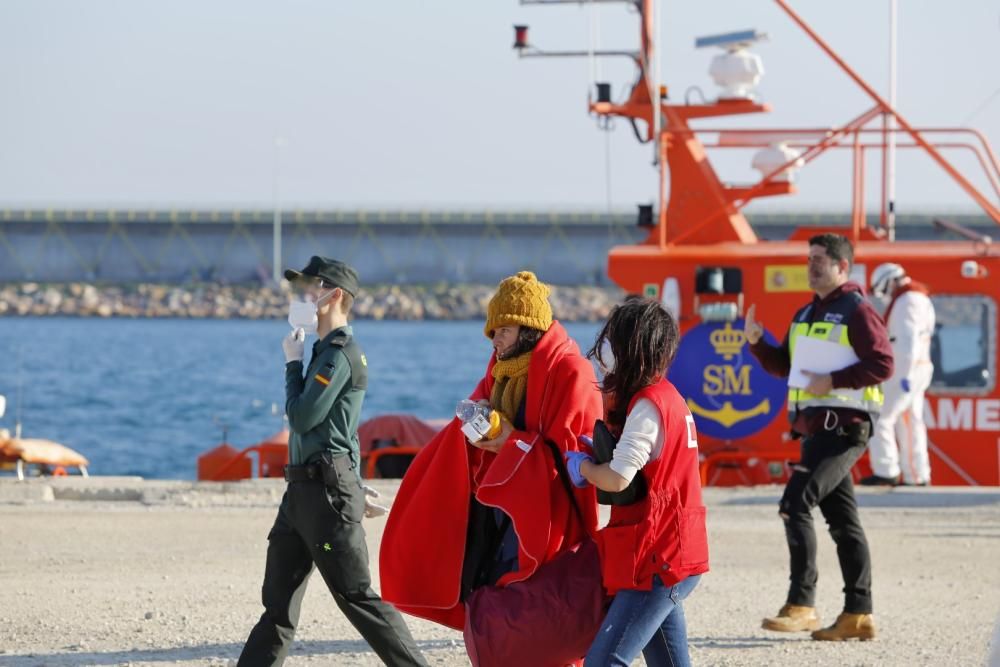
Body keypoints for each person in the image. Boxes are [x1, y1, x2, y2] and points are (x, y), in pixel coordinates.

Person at [379, 271, 602, 635]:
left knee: (540, 610)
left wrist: (510, 441)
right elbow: (474, 421)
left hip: (546, 517)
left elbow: (573, 466)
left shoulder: (572, 372)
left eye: (502, 331)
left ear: (526, 328)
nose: (494, 340)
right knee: (496, 597)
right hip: (499, 510)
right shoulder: (499, 370)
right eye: (492, 332)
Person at [238, 256, 427, 667]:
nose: (305, 296)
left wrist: (291, 363)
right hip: (302, 492)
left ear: (334, 294)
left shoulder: (338, 355)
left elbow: (303, 417)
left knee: (356, 596)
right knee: (277, 608)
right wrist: (356, 482)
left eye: (312, 288)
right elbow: (343, 427)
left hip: (325, 494)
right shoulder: (324, 352)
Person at [745, 233, 893, 641]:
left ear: (843, 267)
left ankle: (802, 604)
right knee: (844, 524)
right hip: (816, 431)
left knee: (795, 503)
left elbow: (883, 363)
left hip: (844, 428)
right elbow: (786, 368)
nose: (811, 265)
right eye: (808, 258)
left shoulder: (857, 311)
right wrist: (758, 344)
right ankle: (858, 616)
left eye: (820, 260)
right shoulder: (805, 313)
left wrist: (835, 378)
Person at [564, 298, 709, 667]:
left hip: (658, 562)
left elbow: (617, 478)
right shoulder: (668, 398)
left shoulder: (647, 407)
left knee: (604, 661)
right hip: (671, 556)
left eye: (613, 337)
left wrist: (580, 468)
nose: (605, 346)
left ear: (631, 347)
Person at [862, 262, 936, 486]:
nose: (882, 295)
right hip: (918, 368)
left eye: (882, 289)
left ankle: (886, 470)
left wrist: (904, 375)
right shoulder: (920, 297)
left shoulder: (906, 301)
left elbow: (907, 342)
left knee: (879, 415)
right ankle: (917, 474)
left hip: (907, 370)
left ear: (890, 281)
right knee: (910, 421)